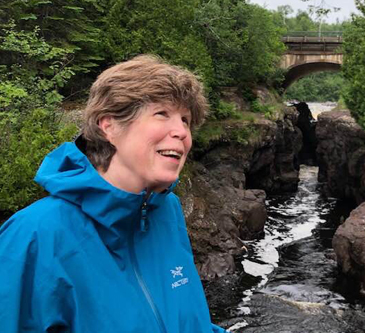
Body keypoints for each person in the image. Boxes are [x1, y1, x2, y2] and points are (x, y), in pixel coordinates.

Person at [0, 55, 229, 333]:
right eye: (162, 114)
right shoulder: (35, 235)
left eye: (186, 120)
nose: (181, 131)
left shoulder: (168, 211)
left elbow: (188, 322)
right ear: (109, 125)